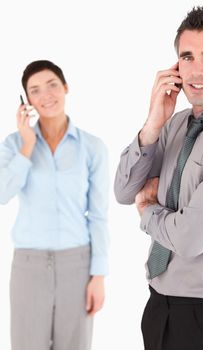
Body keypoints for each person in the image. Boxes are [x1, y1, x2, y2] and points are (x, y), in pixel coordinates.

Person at [114, 5, 203, 350]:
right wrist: (153, 124)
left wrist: (148, 210)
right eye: (187, 56)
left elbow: (190, 239)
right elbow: (123, 191)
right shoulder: (176, 123)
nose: (196, 69)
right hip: (158, 304)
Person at [0, 60, 109, 350]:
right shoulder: (13, 144)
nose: (46, 95)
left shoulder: (92, 147)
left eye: (52, 85)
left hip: (78, 265)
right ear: (27, 101)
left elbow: (98, 215)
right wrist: (26, 146)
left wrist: (99, 274)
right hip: (28, 266)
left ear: (65, 87)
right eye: (35, 91)